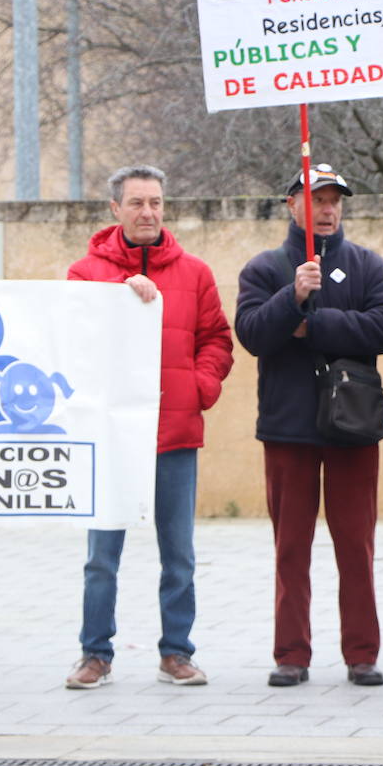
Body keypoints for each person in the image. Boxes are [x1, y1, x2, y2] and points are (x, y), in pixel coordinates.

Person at [63, 165, 234, 689]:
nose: (148, 212)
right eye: (136, 203)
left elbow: (217, 342)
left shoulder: (196, 274)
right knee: (101, 558)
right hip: (112, 440)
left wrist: (198, 389)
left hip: (176, 434)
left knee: (179, 555)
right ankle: (95, 654)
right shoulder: (85, 274)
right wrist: (122, 289)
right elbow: (72, 342)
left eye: (156, 202)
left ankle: (176, 652)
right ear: (114, 209)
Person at [235, 163, 383, 688]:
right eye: (316, 199)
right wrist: (293, 298)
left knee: (357, 544)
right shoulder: (264, 270)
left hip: (353, 426)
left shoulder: (368, 266)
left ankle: (361, 653)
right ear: (292, 205)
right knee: (291, 546)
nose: (327, 209)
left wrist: (315, 323)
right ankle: (291, 654)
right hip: (288, 428)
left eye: (334, 200)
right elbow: (254, 334)